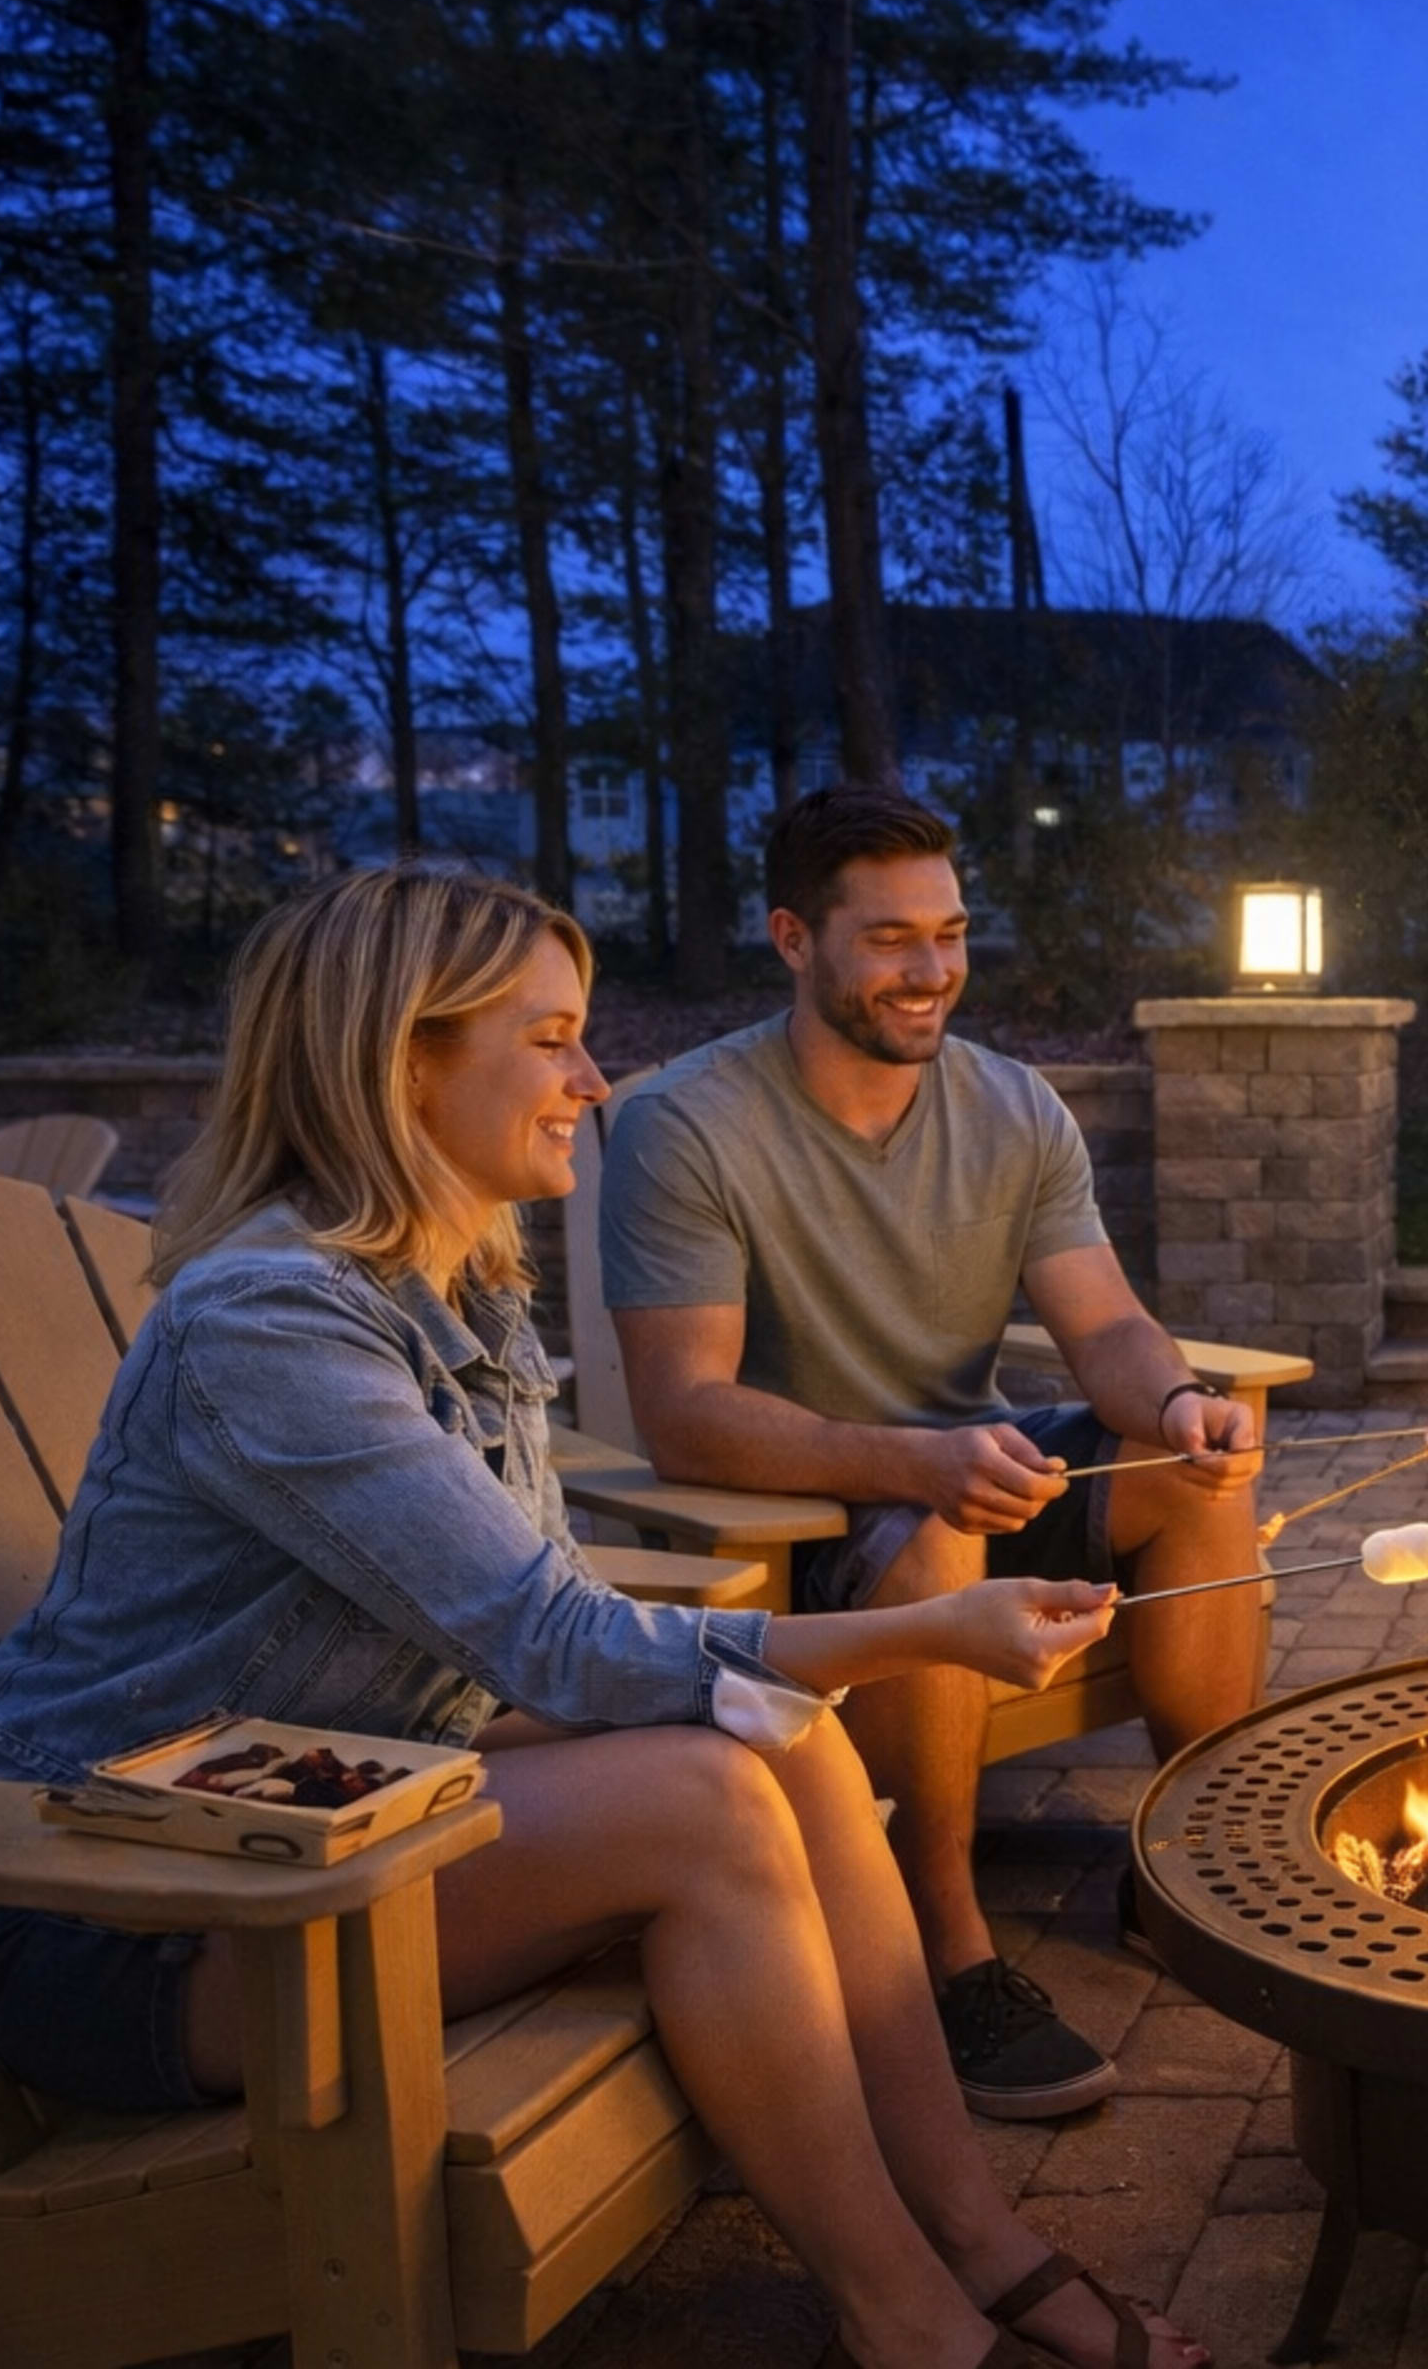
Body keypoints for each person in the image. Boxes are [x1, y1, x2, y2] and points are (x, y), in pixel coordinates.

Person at [0, 866, 1202, 2369]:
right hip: (125, 1905)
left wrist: (821, 1670)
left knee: (776, 1747)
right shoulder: (272, 1320)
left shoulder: (455, 1294)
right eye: (550, 1040)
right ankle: (911, 2322)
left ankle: (980, 2238)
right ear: (407, 1055)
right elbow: (556, 1643)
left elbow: (532, 1640)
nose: (591, 1083)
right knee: (706, 1797)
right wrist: (929, 1632)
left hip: (320, 1803)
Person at [600, 785, 1264, 2122]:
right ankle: (943, 1949)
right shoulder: (688, 1128)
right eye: (893, 938)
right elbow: (685, 1408)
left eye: (951, 932)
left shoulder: (1013, 1110)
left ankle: (1187, 1869)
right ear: (794, 938)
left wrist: (1181, 1400)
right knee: (943, 1526)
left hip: (976, 1465)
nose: (934, 969)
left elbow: (1111, 1328)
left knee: (1186, 1482)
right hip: (797, 1516)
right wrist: (913, 1466)